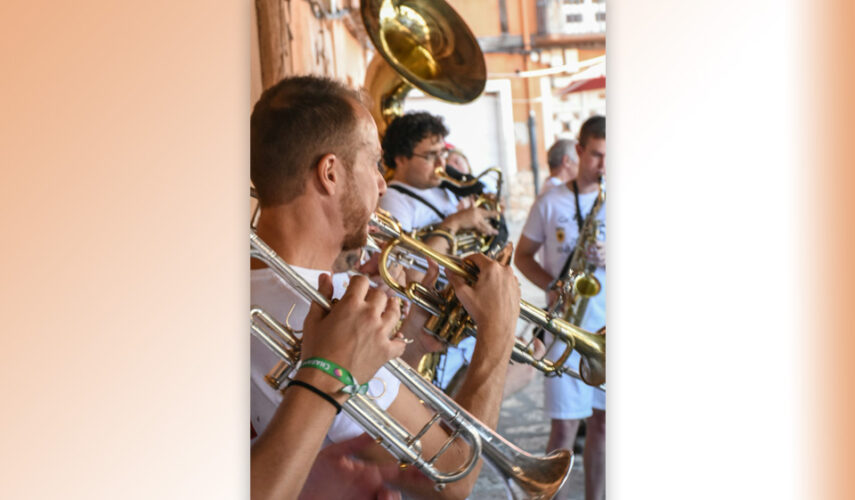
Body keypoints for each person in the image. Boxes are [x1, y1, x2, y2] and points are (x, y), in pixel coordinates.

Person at [250, 75, 521, 499]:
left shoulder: (261, 288)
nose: (382, 183)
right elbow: (451, 475)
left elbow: (354, 428)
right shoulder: (316, 308)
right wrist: (498, 333)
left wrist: (406, 346)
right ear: (331, 173)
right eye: (375, 164)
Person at [514, 115, 606, 500]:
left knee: (605, 427)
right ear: (579, 151)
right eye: (597, 156)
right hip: (566, 328)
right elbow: (523, 256)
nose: (604, 166)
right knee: (564, 431)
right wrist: (552, 287)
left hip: (607, 330)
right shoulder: (550, 201)